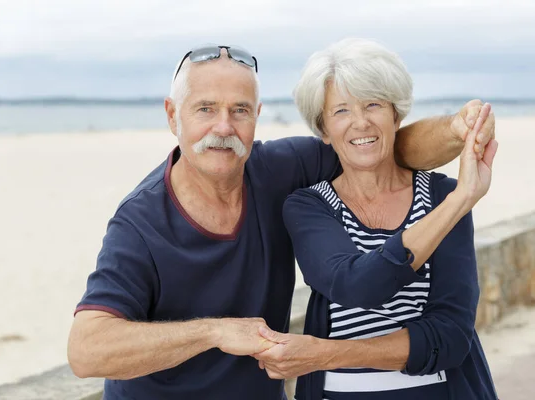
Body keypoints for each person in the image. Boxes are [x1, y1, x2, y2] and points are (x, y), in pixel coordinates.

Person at [67, 44, 496, 400]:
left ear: (257, 115)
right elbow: (87, 351)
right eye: (205, 109)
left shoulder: (278, 169)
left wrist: (458, 130)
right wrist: (215, 332)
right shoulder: (139, 222)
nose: (223, 126)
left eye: (239, 110)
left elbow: (378, 146)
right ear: (171, 115)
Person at [253, 39, 498, 399]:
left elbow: (449, 337)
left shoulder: (443, 197)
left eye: (373, 104)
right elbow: (355, 285)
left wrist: (325, 354)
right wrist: (460, 202)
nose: (360, 123)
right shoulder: (308, 206)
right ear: (323, 130)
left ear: (396, 115)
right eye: (340, 111)